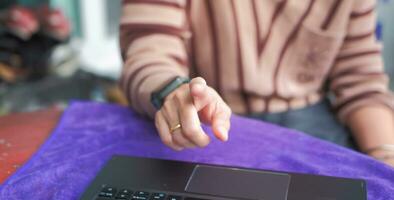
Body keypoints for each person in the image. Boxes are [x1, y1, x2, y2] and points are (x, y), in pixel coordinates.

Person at [119, 0, 394, 167]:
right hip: (209, 120)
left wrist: (385, 155)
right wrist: (173, 92)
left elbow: (362, 83)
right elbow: (149, 50)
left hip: (312, 124)